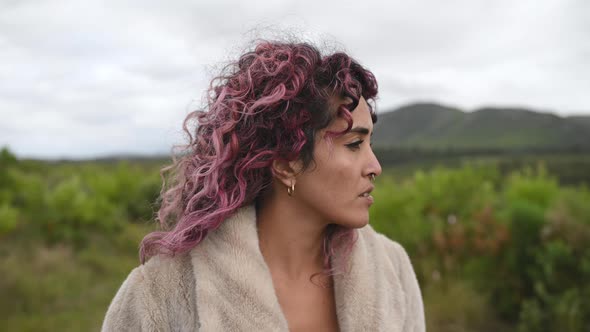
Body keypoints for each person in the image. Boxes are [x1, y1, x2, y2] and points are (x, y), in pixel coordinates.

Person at [102, 40, 425, 331]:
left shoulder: (390, 269)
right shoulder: (159, 293)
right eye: (354, 144)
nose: (375, 167)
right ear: (286, 163)